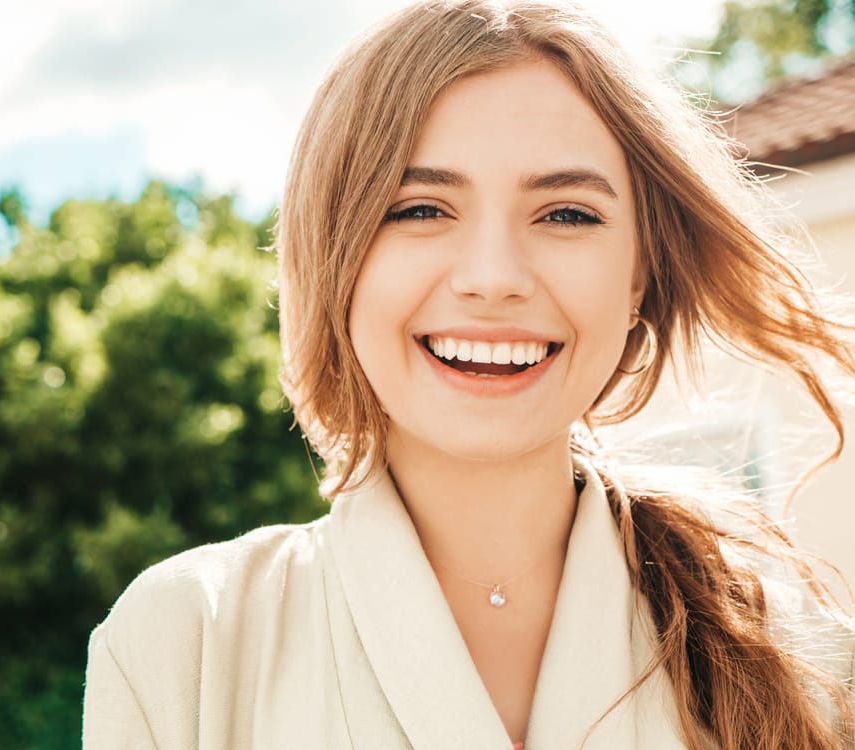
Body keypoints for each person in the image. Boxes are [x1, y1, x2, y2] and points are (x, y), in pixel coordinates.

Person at [82, 1, 855, 748]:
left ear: (638, 281)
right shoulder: (186, 642)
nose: (493, 278)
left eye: (566, 214)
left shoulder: (799, 655)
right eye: (420, 209)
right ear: (335, 260)